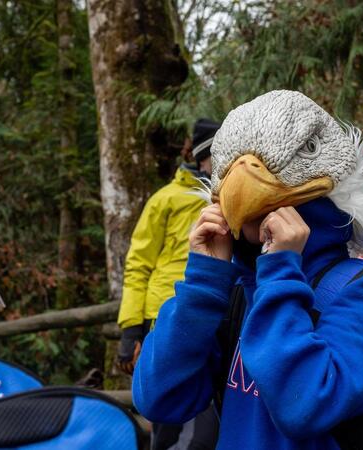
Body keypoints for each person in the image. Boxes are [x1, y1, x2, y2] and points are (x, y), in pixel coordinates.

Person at [133, 90, 363, 449]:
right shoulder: (235, 293)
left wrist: (281, 270)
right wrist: (204, 283)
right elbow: (159, 398)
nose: (243, 186)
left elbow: (305, 407)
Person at [117, 118, 221, 450]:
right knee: (167, 424)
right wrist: (131, 328)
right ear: (201, 156)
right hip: (163, 318)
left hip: (215, 316)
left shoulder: (233, 195)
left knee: (207, 427)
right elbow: (138, 264)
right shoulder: (166, 199)